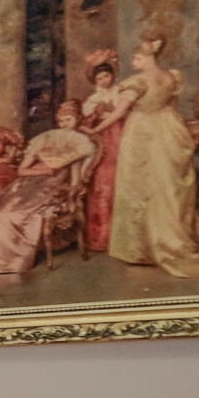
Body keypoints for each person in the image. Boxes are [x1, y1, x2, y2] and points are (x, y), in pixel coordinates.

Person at [105, 37, 199, 278]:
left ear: (146, 58)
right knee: (168, 186)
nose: (133, 63)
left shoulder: (137, 82)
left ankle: (150, 245)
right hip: (168, 127)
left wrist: (96, 127)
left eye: (136, 58)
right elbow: (170, 103)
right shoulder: (170, 77)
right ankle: (172, 234)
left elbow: (119, 112)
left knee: (144, 185)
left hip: (144, 132)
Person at [0, 104, 98, 277]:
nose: (65, 124)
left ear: (78, 119)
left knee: (10, 217)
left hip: (52, 187)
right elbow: (21, 171)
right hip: (26, 184)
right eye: (61, 121)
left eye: (68, 120)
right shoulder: (45, 140)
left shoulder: (78, 146)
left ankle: (5, 262)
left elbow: (75, 181)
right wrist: (43, 170)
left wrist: (64, 189)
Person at [77, 56, 129, 253]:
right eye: (100, 79)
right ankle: (103, 236)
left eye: (107, 76)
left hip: (123, 134)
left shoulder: (121, 93)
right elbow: (86, 121)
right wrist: (95, 115)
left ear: (113, 76)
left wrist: (113, 110)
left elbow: (125, 111)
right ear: (95, 82)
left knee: (123, 177)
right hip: (103, 139)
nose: (105, 81)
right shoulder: (92, 100)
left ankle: (127, 235)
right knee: (103, 181)